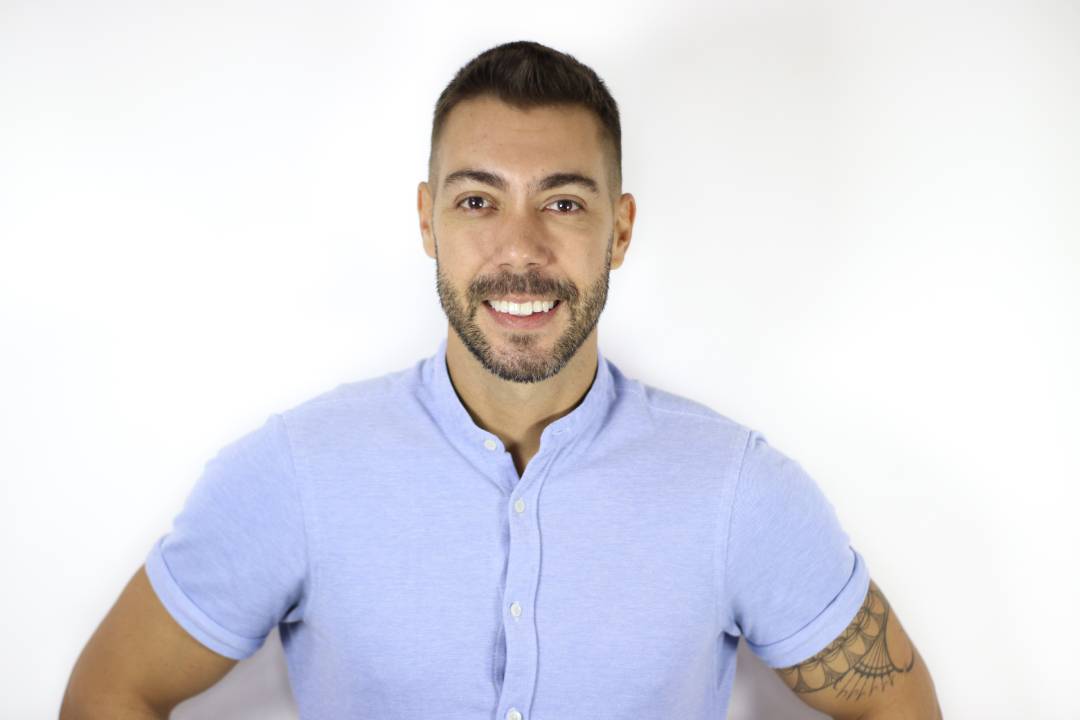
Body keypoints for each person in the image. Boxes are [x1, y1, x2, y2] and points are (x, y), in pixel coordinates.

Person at [61, 40, 942, 719]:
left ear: (620, 230)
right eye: (478, 201)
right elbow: (111, 690)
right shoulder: (297, 472)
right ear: (427, 220)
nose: (520, 250)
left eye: (563, 203)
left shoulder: (734, 489)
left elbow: (894, 702)